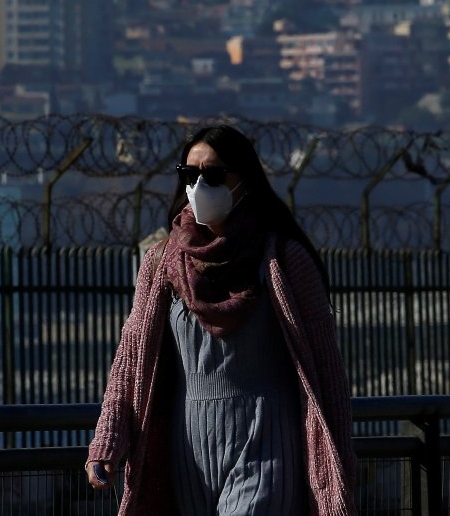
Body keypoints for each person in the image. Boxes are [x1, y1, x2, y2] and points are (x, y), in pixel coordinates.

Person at [85, 125, 357, 515]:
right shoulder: (162, 262)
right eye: (189, 174)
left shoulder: (283, 259)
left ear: (243, 179)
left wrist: (339, 462)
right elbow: (130, 361)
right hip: (188, 450)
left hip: (267, 440)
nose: (199, 185)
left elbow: (326, 368)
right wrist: (107, 442)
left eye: (212, 175)